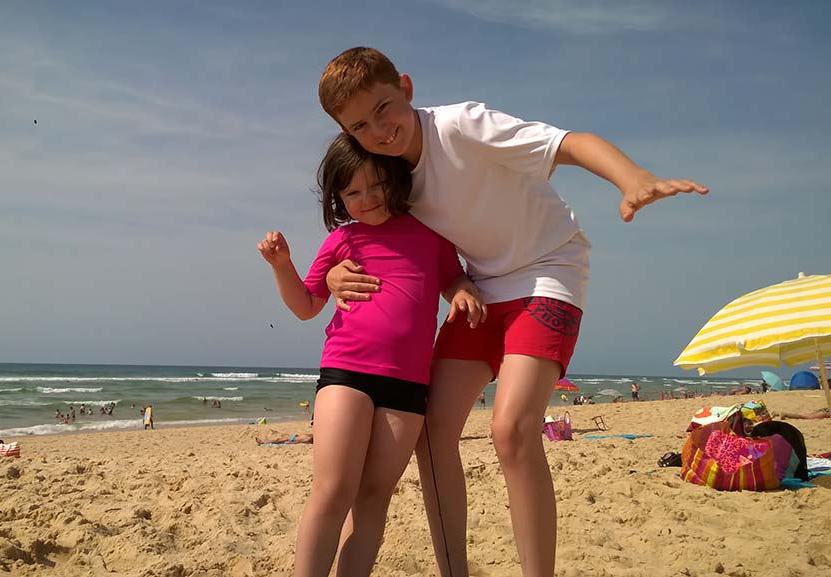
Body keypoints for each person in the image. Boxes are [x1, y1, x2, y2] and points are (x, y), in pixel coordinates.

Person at [318, 47, 707, 577]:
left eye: (383, 108)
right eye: (359, 125)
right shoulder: (387, 173)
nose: (379, 130)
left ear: (406, 88)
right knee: (431, 433)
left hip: (549, 270)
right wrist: (334, 275)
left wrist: (632, 178)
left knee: (512, 430)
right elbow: (387, 243)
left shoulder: (460, 126)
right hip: (481, 289)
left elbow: (568, 143)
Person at [257, 133, 484, 577]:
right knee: (333, 490)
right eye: (353, 192)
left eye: (377, 184)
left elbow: (452, 279)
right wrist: (283, 267)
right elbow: (306, 305)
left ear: (395, 178)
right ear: (338, 198)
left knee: (374, 497)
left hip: (408, 385)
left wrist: (463, 291)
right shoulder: (343, 240)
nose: (368, 198)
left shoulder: (430, 235)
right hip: (347, 372)